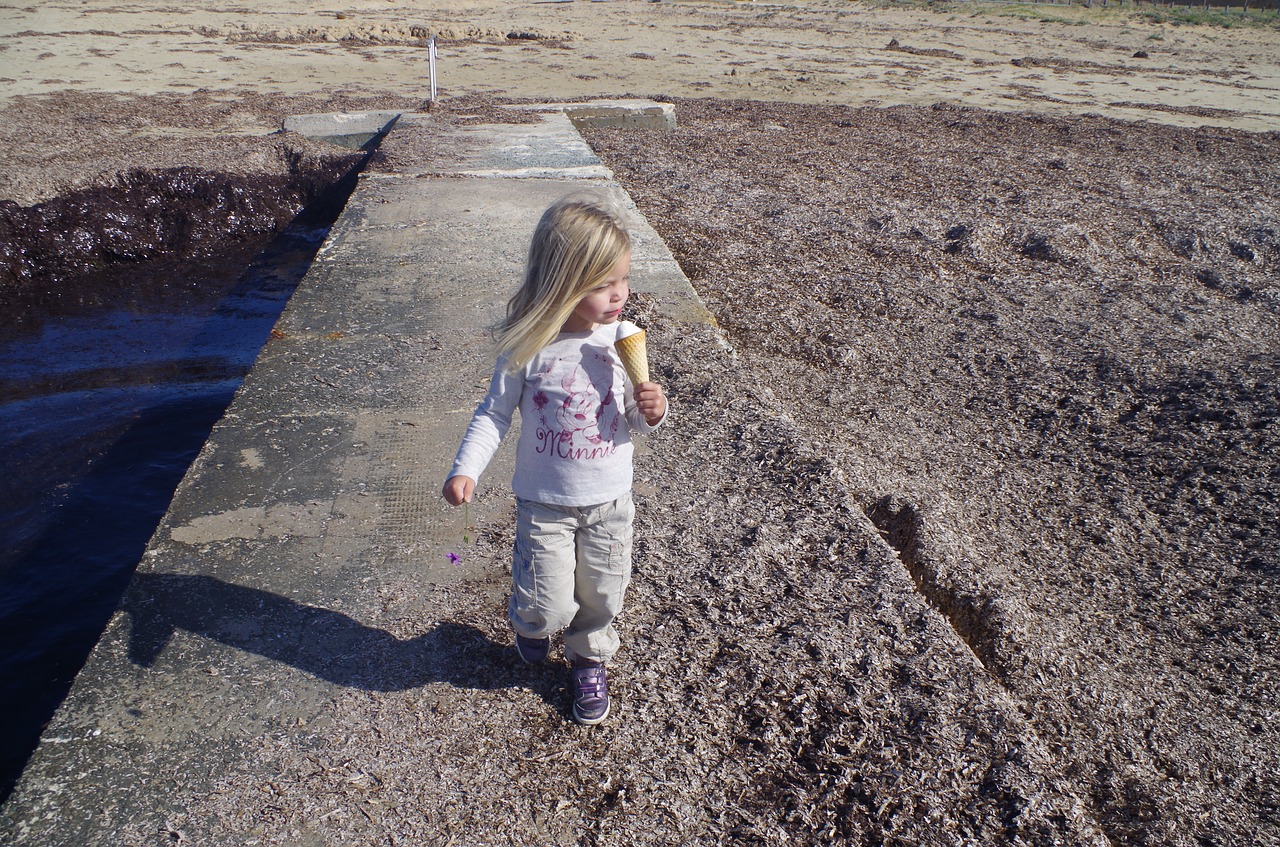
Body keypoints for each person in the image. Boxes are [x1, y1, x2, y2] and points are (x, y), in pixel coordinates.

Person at [441, 194, 668, 726]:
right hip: (545, 501)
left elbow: (635, 418)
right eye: (602, 285)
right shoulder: (529, 347)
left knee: (604, 593)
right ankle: (531, 623)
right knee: (549, 607)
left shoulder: (622, 340)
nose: (619, 296)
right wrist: (465, 468)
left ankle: (589, 659)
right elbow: (494, 414)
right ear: (562, 282)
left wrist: (652, 410)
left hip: (611, 498)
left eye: (624, 280)